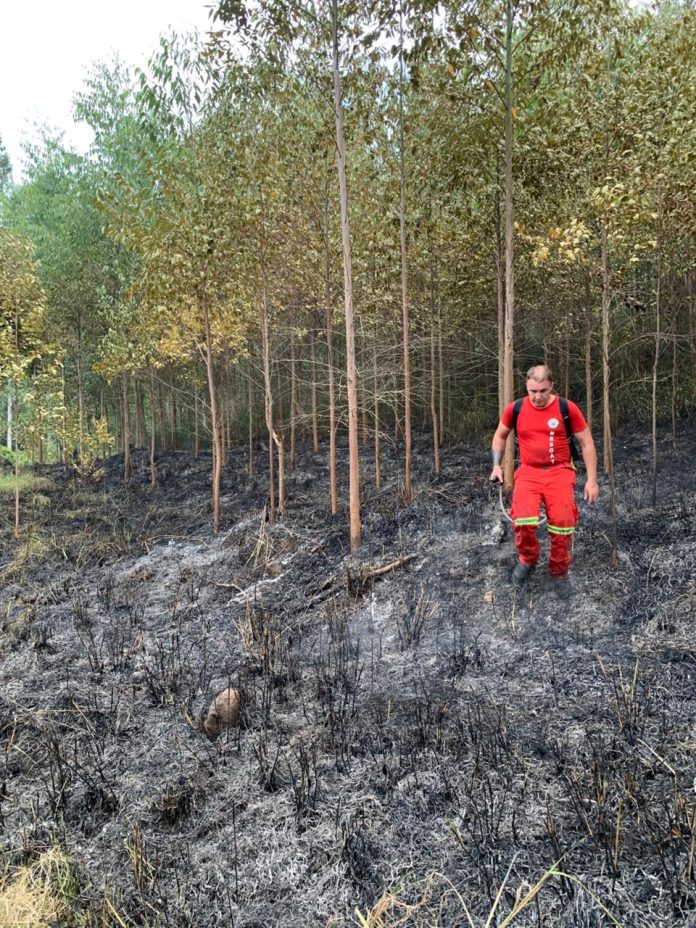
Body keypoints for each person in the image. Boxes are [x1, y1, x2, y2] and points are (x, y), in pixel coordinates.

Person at [489, 365, 600, 599]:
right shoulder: (516, 409)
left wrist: (592, 480)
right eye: (532, 391)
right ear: (526, 387)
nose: (537, 397)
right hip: (528, 472)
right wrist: (497, 465)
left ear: (551, 386)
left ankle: (559, 571)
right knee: (522, 519)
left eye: (542, 391)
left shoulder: (566, 408)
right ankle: (528, 559)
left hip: (560, 471)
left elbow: (587, 443)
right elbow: (500, 436)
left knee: (563, 522)